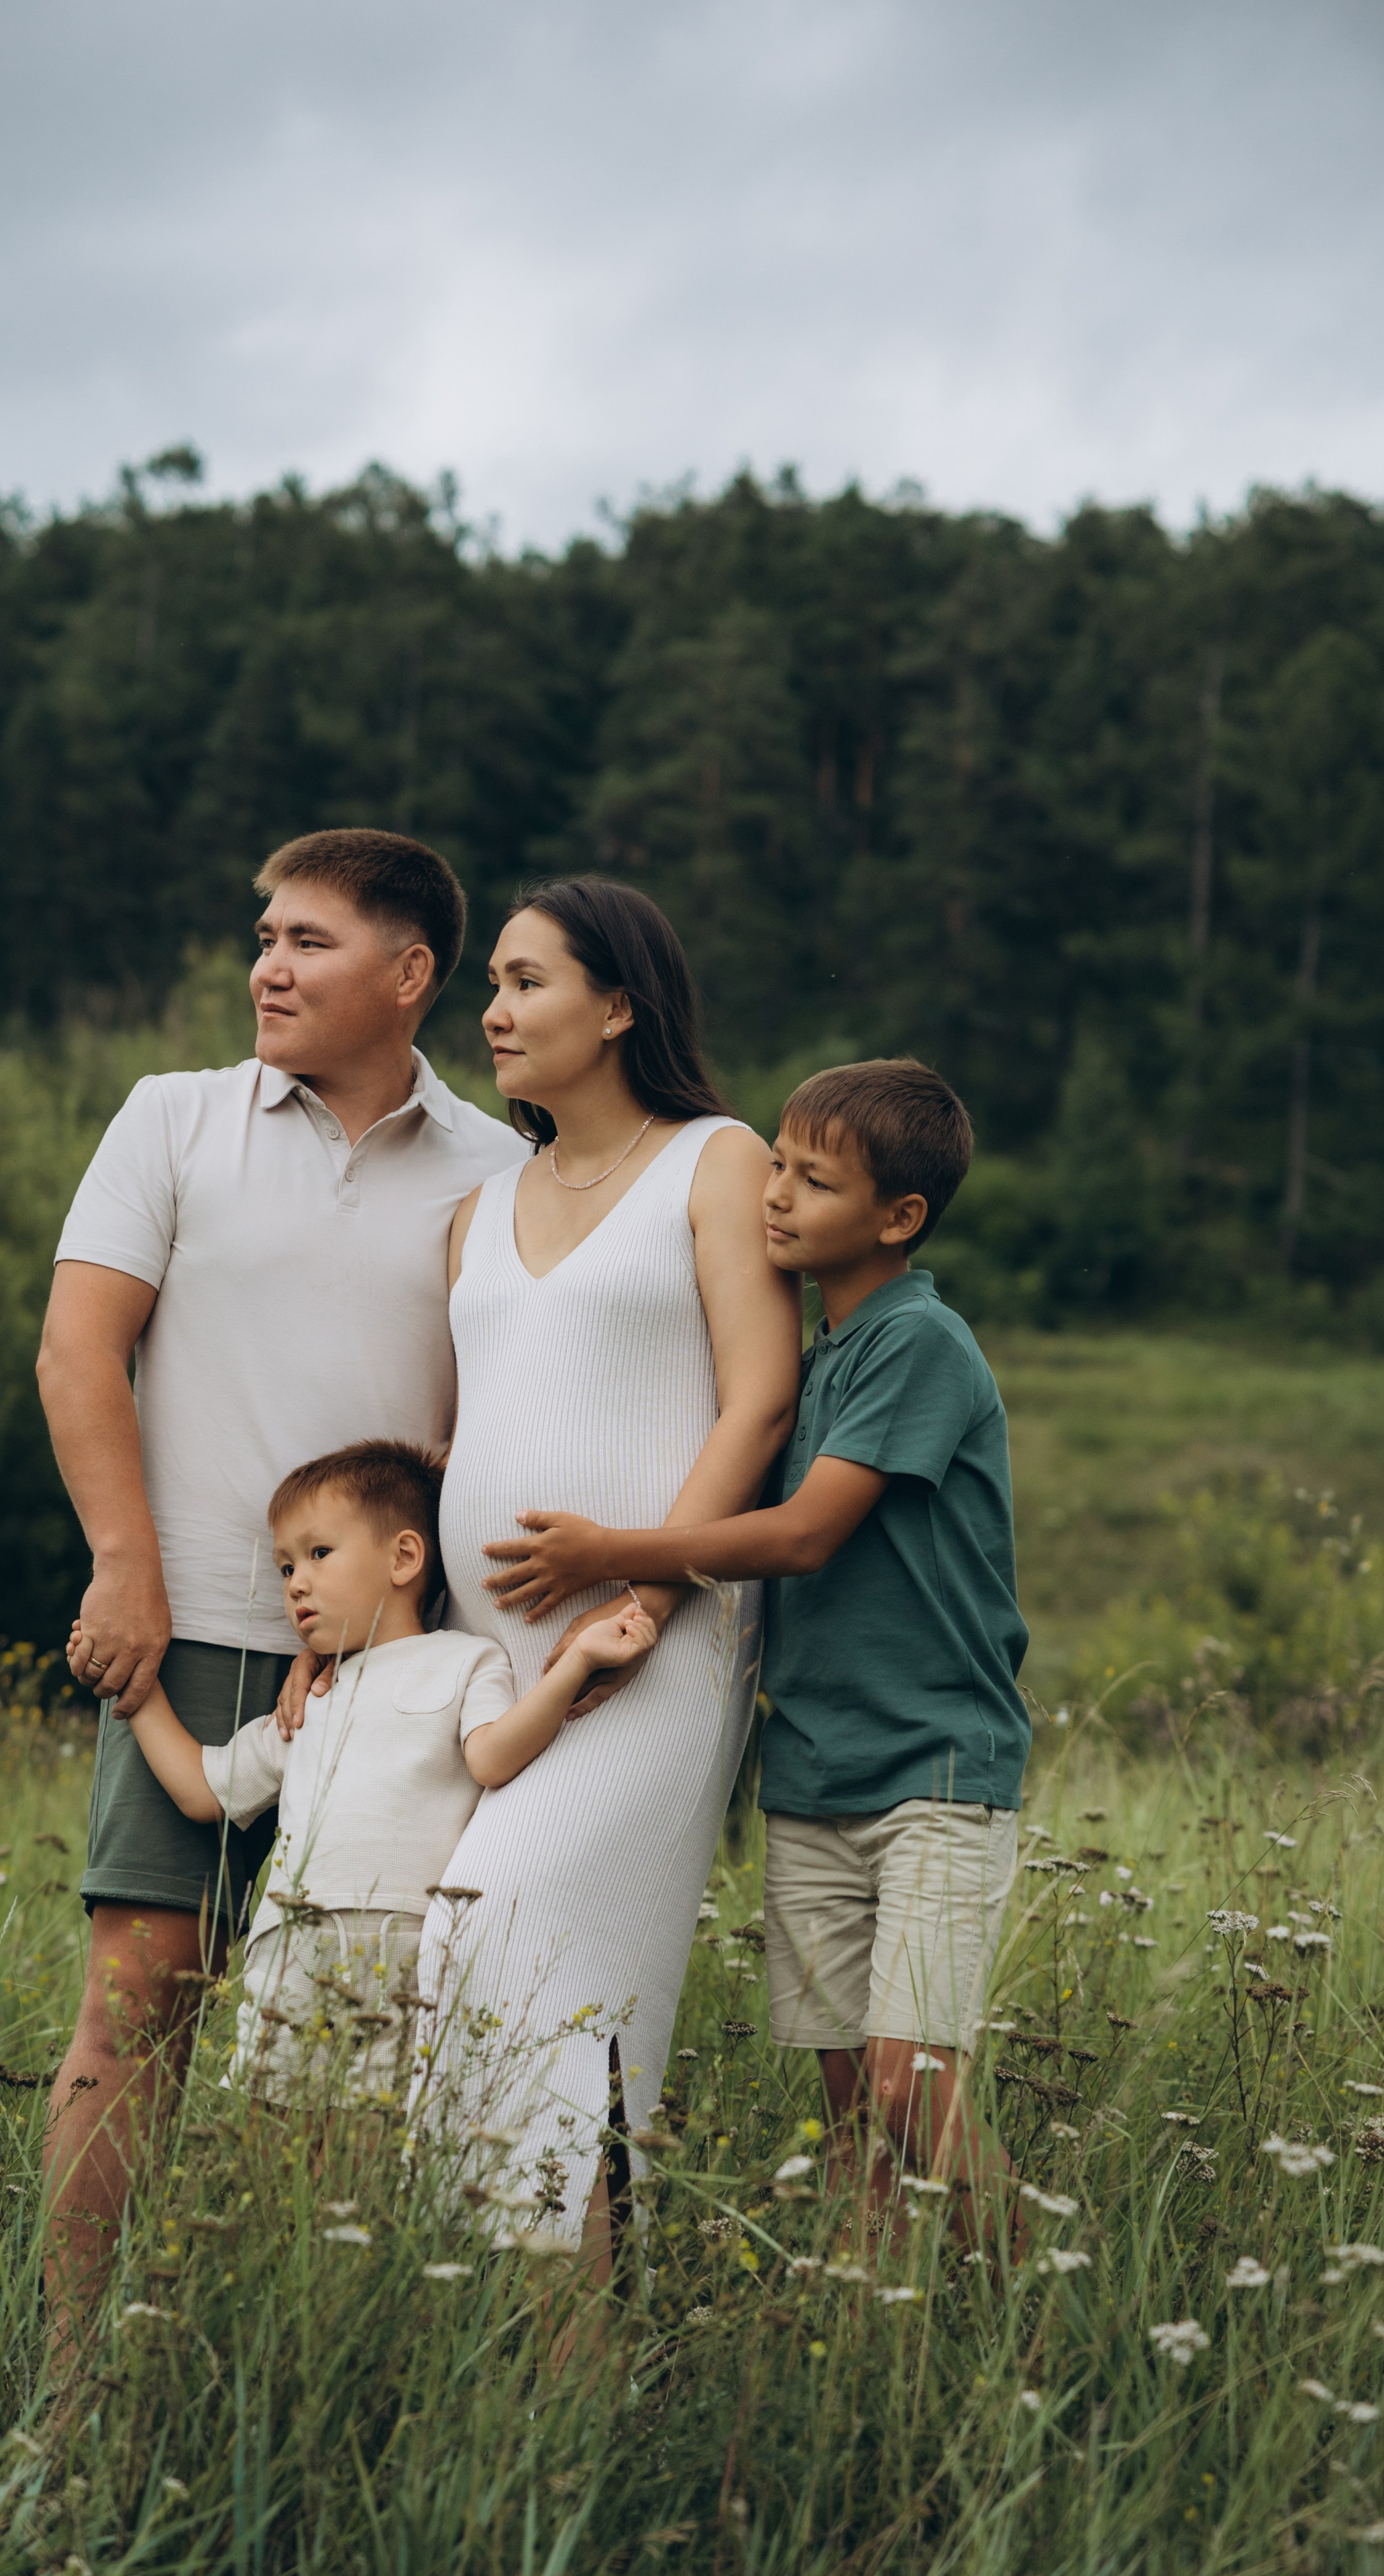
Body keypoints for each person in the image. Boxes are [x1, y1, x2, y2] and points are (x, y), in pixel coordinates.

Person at [36, 828, 526, 2334]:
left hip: (406, 1676)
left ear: (409, 973)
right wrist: (128, 1569)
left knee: (382, 2040)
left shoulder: (504, 1166)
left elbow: (494, 1417)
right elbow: (77, 1350)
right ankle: (73, 2386)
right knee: (138, 2007)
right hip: (186, 1641)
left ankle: (311, 2364)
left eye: (307, 941)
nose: (266, 965)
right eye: (263, 935)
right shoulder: (170, 1120)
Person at [481, 1057, 1030, 2239]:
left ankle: (1031, 2327)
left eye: (813, 1182)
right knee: (847, 2106)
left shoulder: (916, 1343)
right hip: (817, 1769)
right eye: (776, 1163)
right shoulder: (818, 1353)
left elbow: (801, 1535)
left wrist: (610, 1556)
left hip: (935, 1766)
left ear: (898, 1219)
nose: (775, 1194)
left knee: (908, 2082)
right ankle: (876, 2360)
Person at [414, 877, 803, 2263]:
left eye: (526, 981)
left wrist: (650, 1591)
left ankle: (544, 2332)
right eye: (494, 984)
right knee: (510, 1988)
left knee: (483, 1930)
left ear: (619, 1004)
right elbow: (462, 1429)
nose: (493, 1010)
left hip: (655, 1640)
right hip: (490, 1657)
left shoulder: (715, 1158)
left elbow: (757, 1402)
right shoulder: (479, 1207)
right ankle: (549, 2331)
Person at [74, 1439, 656, 2103]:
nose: (295, 1581)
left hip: (406, 1946)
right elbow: (204, 1790)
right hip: (292, 1949)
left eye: (318, 1554)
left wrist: (577, 1662)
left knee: (386, 2142)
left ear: (405, 1557)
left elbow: (492, 1756)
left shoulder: (464, 1661)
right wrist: (134, 1691)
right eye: (285, 1565)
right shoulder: (308, 1699)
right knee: (283, 2140)